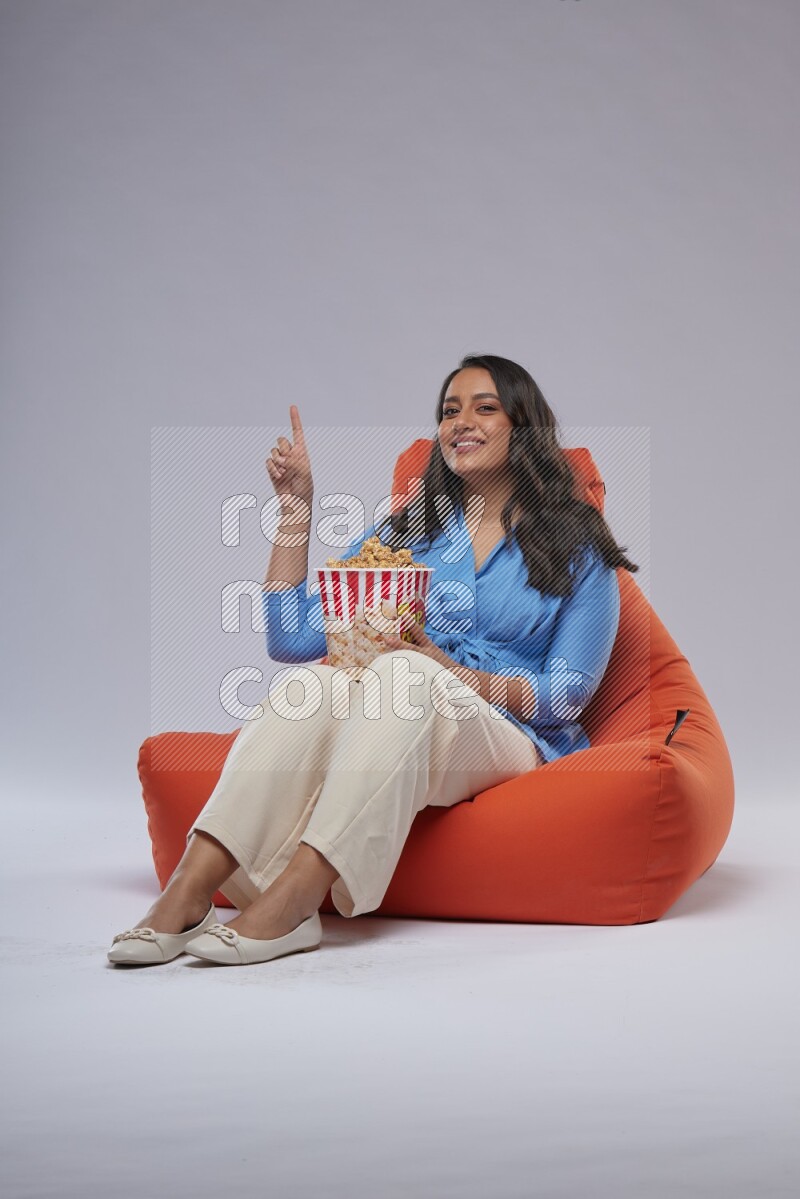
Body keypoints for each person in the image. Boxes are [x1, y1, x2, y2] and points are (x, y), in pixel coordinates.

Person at [107, 354, 637, 967]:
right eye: (449, 411)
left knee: (404, 672)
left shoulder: (579, 544)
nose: (461, 422)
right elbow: (290, 635)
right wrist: (295, 508)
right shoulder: (410, 532)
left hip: (511, 737)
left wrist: (453, 673)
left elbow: (568, 694)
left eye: (484, 408)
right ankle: (191, 889)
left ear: (526, 427)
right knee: (316, 684)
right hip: (398, 721)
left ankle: (294, 901)